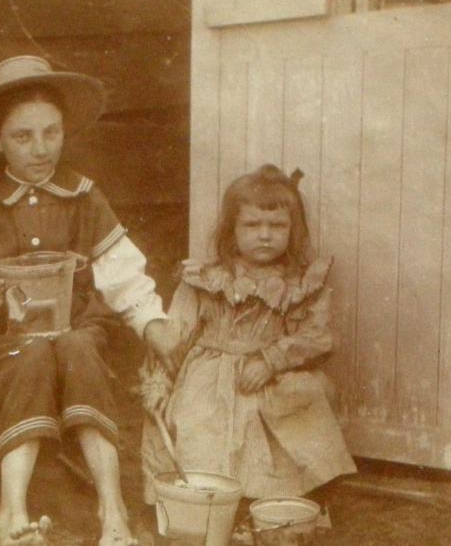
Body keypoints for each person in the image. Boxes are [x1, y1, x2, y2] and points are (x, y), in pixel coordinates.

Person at [0, 54, 176, 546]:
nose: (41, 149)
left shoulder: (82, 196)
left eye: (51, 133)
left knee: (79, 345)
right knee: (33, 354)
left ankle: (112, 512)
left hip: (73, 332)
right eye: (23, 136)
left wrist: (152, 321)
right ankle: (11, 517)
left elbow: (122, 272)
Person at [141, 164, 356, 504]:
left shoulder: (300, 284)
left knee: (296, 412)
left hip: (267, 379)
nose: (265, 235)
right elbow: (174, 335)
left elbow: (316, 335)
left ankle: (274, 502)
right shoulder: (206, 280)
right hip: (208, 381)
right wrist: (159, 384)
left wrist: (271, 360)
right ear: (232, 231)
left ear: (293, 230)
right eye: (252, 225)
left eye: (277, 225)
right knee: (200, 428)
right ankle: (208, 502)